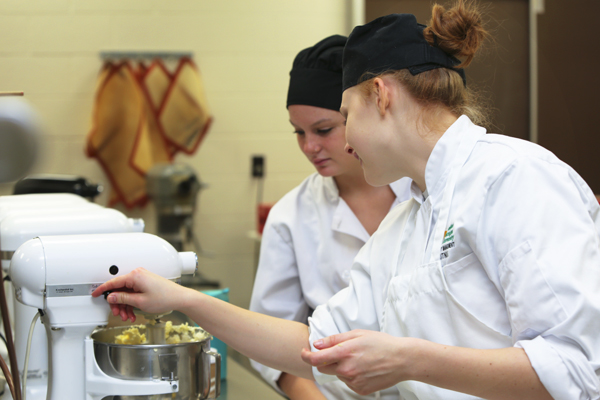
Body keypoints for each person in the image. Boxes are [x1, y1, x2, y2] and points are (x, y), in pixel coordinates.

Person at [93, 1, 600, 398]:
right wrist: (181, 300)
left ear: (381, 95)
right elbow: (314, 344)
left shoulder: (514, 178)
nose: (339, 140)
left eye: (342, 115)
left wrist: (409, 360)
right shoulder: (408, 220)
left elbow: (577, 370)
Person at [249, 35, 410, 400]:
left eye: (323, 130)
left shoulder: (423, 193)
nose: (309, 147)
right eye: (299, 133)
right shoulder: (291, 217)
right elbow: (271, 345)